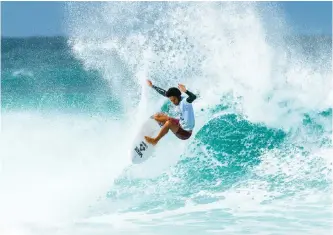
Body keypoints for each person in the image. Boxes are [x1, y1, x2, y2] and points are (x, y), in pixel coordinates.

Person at [144, 79, 197, 145]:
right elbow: (164, 92)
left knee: (169, 123)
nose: (173, 102)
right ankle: (158, 128)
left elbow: (193, 97)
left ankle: (155, 140)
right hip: (180, 124)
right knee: (157, 115)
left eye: (174, 100)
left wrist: (185, 91)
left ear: (178, 96)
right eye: (171, 100)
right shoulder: (174, 98)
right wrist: (152, 86)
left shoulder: (185, 102)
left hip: (185, 133)